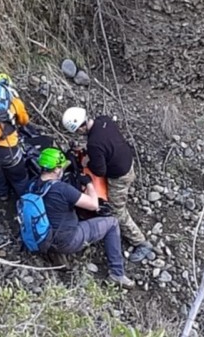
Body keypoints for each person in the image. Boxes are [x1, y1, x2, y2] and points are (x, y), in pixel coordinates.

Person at [61, 107, 154, 263]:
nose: (78, 133)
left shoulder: (94, 144)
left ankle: (141, 242)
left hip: (120, 176)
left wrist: (87, 162)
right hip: (127, 162)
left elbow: (100, 170)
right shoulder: (104, 120)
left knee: (116, 211)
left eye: (77, 131)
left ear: (81, 127)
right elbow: (107, 144)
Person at [32, 147, 134, 287]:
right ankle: (117, 273)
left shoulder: (32, 186)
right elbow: (93, 204)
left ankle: (56, 255)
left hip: (43, 239)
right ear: (56, 169)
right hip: (68, 240)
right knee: (112, 223)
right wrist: (88, 184)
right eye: (61, 167)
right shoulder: (62, 189)